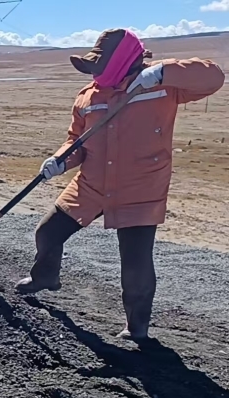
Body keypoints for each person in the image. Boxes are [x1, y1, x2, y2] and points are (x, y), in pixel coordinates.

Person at [17, 28, 224, 341]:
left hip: (140, 188)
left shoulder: (162, 85)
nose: (95, 73)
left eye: (100, 65)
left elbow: (213, 77)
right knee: (48, 232)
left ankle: (136, 328)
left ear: (123, 60)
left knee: (135, 263)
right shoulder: (88, 96)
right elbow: (76, 140)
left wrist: (164, 72)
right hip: (91, 184)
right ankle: (45, 277)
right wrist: (59, 160)